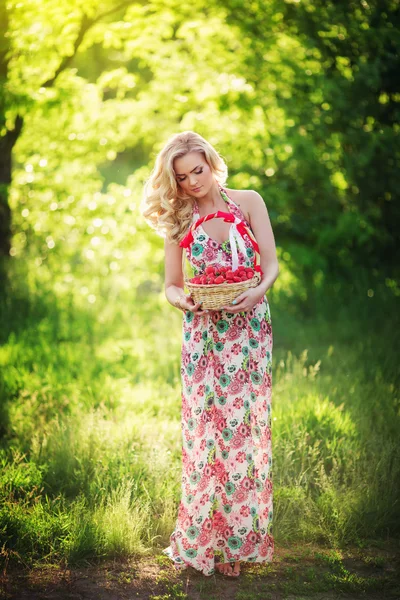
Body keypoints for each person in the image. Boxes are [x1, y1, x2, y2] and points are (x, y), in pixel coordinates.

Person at [141, 131, 279, 578]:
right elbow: (172, 284)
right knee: (205, 435)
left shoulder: (249, 202)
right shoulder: (179, 218)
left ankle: (236, 546)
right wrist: (182, 300)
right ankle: (203, 538)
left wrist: (255, 292)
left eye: (197, 170)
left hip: (249, 330)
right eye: (181, 178)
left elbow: (272, 264)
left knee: (241, 433)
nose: (192, 183)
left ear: (211, 163)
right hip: (203, 336)